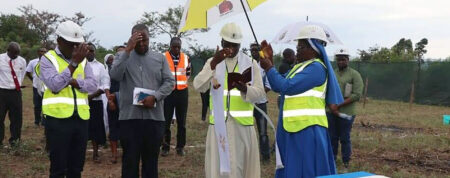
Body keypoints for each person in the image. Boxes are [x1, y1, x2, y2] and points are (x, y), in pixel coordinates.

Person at [259, 25, 344, 178]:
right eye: (297, 46)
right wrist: (269, 61)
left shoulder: (316, 68)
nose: (297, 50)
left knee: (307, 170)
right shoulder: (300, 67)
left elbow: (285, 86)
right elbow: (278, 82)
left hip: (308, 129)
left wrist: (269, 67)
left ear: (314, 48)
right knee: (295, 169)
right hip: (294, 127)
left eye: (301, 46)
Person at [193, 22, 265, 178]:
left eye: (235, 46)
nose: (231, 49)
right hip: (218, 126)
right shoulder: (212, 62)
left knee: (241, 168)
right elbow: (198, 86)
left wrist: (245, 89)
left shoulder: (250, 63)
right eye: (227, 45)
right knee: (219, 169)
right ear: (221, 43)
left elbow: (260, 93)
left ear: (240, 45)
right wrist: (213, 64)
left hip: (242, 127)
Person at [110, 24, 175, 178]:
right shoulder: (122, 57)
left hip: (154, 119)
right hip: (130, 120)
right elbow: (115, 76)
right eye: (137, 40)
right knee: (129, 163)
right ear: (131, 39)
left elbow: (170, 82)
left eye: (144, 40)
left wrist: (156, 97)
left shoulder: (159, 58)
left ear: (149, 38)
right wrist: (127, 50)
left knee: (151, 163)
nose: (141, 44)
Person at [37, 20, 97, 177]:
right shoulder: (48, 59)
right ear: (59, 41)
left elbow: (92, 86)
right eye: (71, 44)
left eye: (78, 44)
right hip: (58, 120)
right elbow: (54, 85)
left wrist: (74, 82)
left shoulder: (84, 61)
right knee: (58, 168)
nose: (76, 48)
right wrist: (74, 64)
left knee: (76, 168)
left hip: (81, 119)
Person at [327, 48, 363, 168]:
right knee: (332, 137)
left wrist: (338, 105)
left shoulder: (354, 74)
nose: (341, 62)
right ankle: (332, 160)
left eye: (343, 59)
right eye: (339, 59)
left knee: (344, 137)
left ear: (348, 60)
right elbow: (327, 90)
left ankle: (345, 161)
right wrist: (331, 106)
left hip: (347, 112)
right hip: (330, 111)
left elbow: (357, 95)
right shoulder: (332, 73)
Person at [161, 37, 190, 157]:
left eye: (178, 46)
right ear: (170, 46)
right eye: (174, 46)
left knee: (181, 121)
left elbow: (188, 73)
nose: (176, 49)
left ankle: (180, 147)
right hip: (168, 93)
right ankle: (165, 147)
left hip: (182, 92)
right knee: (166, 121)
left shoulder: (186, 57)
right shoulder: (163, 57)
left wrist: (181, 83)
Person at [86, 42, 110, 163]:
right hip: (80, 102)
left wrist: (92, 96)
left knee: (95, 127)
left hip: (95, 101)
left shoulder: (100, 66)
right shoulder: (78, 65)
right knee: (81, 127)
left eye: (92, 50)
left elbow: (105, 83)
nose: (90, 52)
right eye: (88, 50)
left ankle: (95, 153)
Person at [0, 42, 27, 147]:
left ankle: (15, 142)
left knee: (17, 118)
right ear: (8, 50)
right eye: (14, 53)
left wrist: (17, 86)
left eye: (18, 53)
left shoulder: (22, 61)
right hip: (2, 92)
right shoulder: (0, 58)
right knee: (0, 117)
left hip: (15, 93)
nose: (16, 55)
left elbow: (22, 74)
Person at [249, 43, 271, 162]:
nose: (253, 52)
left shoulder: (264, 66)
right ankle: (250, 155)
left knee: (263, 132)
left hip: (261, 103)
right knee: (247, 130)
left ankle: (265, 156)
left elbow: (268, 85)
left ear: (260, 51)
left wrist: (258, 94)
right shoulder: (247, 66)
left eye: (256, 50)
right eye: (251, 50)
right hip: (248, 104)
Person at [104, 51, 120, 164]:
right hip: (113, 102)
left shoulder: (125, 68)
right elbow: (106, 86)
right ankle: (114, 154)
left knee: (127, 128)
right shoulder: (107, 71)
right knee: (113, 127)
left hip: (126, 102)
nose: (112, 60)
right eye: (110, 59)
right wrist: (110, 101)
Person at [26, 47, 47, 126]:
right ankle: (37, 121)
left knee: (45, 104)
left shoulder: (50, 62)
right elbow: (28, 72)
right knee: (37, 105)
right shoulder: (33, 62)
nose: (43, 53)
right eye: (41, 51)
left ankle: (44, 122)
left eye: (45, 52)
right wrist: (33, 80)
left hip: (46, 87)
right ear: (38, 52)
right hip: (36, 86)